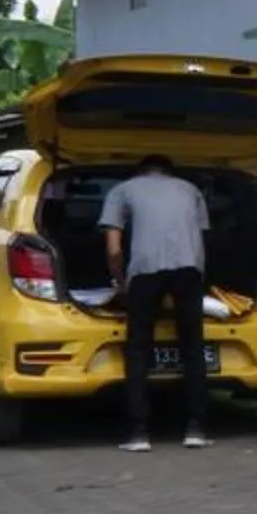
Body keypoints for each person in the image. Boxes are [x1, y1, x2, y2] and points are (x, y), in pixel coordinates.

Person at [100, 154, 210, 451]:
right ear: (170, 172)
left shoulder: (123, 190)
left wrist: (120, 282)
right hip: (188, 270)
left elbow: (113, 248)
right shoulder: (190, 190)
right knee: (192, 347)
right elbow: (200, 243)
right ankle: (196, 429)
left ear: (139, 171)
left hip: (145, 272)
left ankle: (138, 433)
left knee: (138, 348)